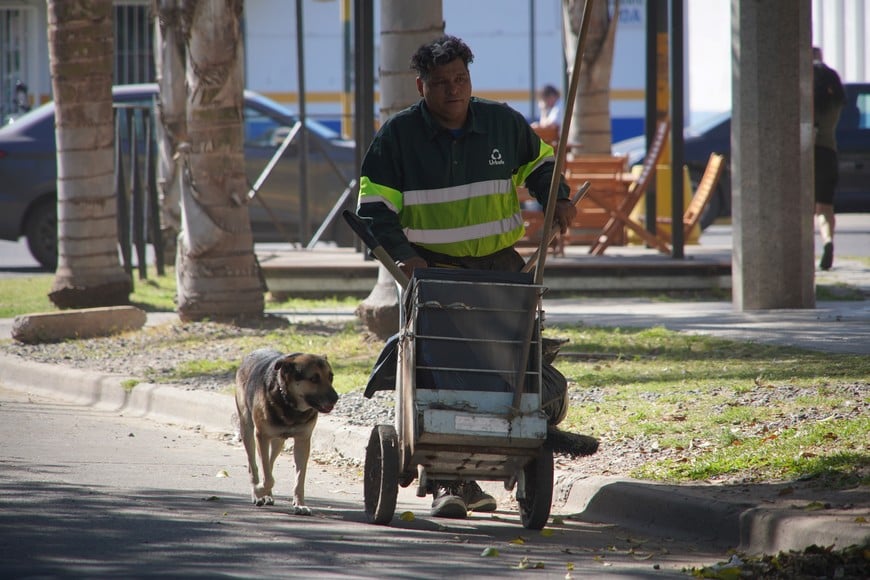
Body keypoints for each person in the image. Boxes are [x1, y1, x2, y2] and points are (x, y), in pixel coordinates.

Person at [357, 35, 575, 519]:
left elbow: (541, 163)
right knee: (444, 370)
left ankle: (515, 451)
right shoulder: (397, 137)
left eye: (461, 79)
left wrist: (555, 195)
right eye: (441, 83)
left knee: (511, 366)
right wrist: (405, 257)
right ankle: (449, 481)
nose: (453, 89)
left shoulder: (501, 123)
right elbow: (373, 209)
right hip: (433, 274)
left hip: (501, 269)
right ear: (421, 86)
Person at [812, 46, 845, 271]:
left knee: (804, 207)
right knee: (825, 207)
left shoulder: (810, 96)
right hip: (829, 154)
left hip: (811, 154)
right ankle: (828, 241)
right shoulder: (835, 98)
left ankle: (804, 253)